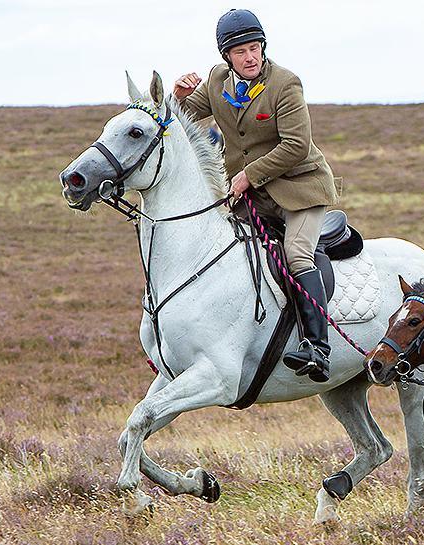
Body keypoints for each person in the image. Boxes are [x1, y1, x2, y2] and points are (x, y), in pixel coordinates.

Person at [172, 9, 339, 383]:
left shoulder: (286, 84)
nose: (251, 57)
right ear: (225, 57)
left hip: (300, 189)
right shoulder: (217, 81)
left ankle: (318, 348)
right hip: (253, 194)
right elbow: (184, 115)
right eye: (241, 51)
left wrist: (248, 175)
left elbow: (297, 146)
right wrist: (178, 96)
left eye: (255, 47)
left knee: (296, 254)